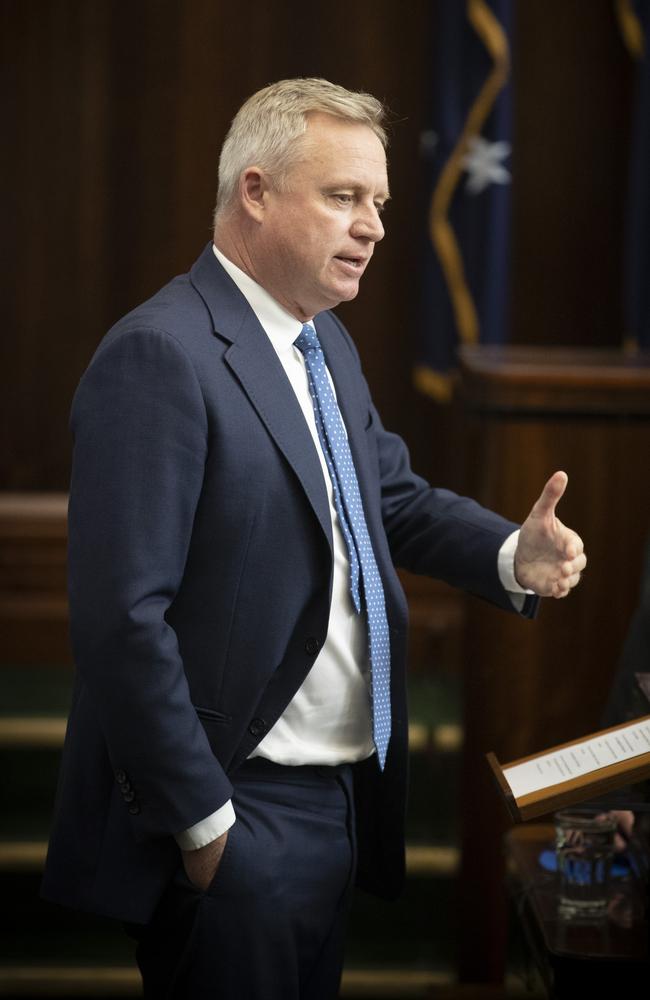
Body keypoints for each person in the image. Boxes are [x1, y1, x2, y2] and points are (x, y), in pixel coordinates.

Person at [41, 78, 586, 999]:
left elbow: (392, 499)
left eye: (377, 202)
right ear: (254, 192)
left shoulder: (321, 343)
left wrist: (509, 554)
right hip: (231, 811)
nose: (372, 224)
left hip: (331, 804)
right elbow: (119, 620)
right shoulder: (161, 355)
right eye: (343, 197)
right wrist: (206, 828)